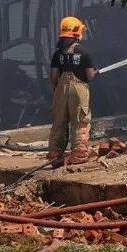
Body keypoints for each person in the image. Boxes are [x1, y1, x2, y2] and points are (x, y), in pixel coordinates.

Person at [46, 16, 96, 166]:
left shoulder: (57, 54)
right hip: (79, 89)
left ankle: (55, 155)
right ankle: (79, 155)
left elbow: (53, 77)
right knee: (80, 121)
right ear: (77, 33)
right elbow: (90, 75)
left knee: (59, 122)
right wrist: (95, 73)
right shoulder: (85, 52)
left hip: (61, 90)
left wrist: (57, 90)